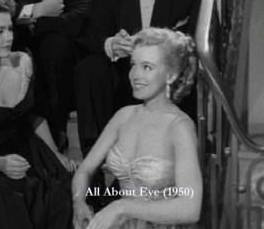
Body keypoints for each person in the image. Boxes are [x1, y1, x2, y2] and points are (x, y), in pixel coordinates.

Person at [74, 0, 204, 159]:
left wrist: (159, 49)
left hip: (166, 77)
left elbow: (196, 43)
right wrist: (112, 44)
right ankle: (94, 160)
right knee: (89, 69)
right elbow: (93, 35)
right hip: (125, 74)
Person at [0, 0, 77, 229]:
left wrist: (55, 153)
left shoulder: (22, 62)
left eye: (10, 29)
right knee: (2, 192)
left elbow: (35, 115)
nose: (9, 37)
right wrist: (1, 164)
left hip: (32, 152)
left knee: (57, 187)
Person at [72, 27, 203, 229]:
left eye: (147, 67)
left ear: (170, 75)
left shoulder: (180, 127)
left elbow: (190, 208)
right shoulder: (124, 116)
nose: (135, 75)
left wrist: (122, 208)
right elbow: (85, 170)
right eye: (133, 65)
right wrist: (79, 202)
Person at [0, 0, 94, 152]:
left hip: (68, 61)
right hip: (29, 57)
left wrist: (34, 24)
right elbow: (2, 17)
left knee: (54, 45)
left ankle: (57, 127)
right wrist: (38, 10)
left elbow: (78, 22)